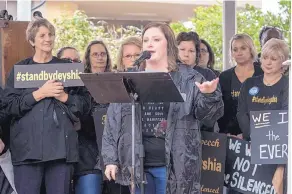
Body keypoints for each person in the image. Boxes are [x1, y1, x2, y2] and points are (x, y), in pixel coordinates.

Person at [102, 22, 224, 194]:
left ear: (169, 44)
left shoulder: (189, 78)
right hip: (137, 164)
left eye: (156, 39)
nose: (149, 44)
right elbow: (113, 121)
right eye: (146, 40)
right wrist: (110, 159)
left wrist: (210, 96)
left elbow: (209, 115)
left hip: (175, 165)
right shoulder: (130, 78)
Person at [3, 18, 91, 194]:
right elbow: (8, 106)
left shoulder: (68, 68)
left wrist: (64, 96)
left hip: (61, 153)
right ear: (31, 41)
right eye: (42, 35)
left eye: (50, 34)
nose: (48, 39)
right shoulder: (19, 70)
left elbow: (86, 105)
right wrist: (40, 93)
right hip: (27, 153)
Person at [237, 38, 289, 194]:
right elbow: (241, 113)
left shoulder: (288, 85)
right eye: (265, 57)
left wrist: (281, 166)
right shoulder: (249, 84)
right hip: (250, 148)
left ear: (283, 62)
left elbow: (285, 118)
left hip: (277, 152)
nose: (268, 62)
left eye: (274, 59)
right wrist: (253, 137)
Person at [218, 34, 263, 137]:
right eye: (235, 49)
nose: (239, 52)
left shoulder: (263, 74)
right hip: (230, 136)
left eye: (243, 48)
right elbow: (220, 110)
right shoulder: (224, 77)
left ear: (251, 49)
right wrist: (226, 133)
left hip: (259, 135)